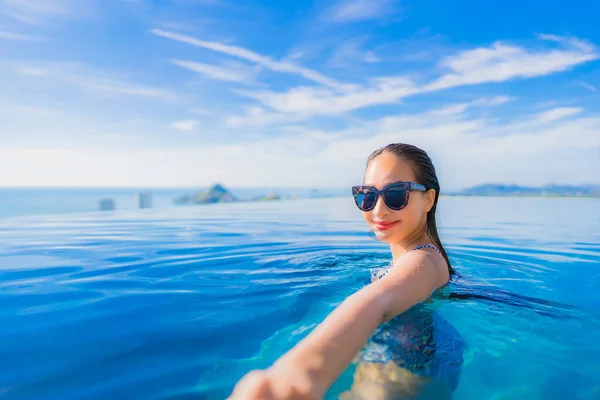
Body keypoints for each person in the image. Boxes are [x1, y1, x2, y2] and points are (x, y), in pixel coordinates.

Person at [228, 143, 463, 399]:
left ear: (428, 199)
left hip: (399, 378)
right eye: (368, 195)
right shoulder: (419, 259)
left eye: (396, 194)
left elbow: (376, 302)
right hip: (398, 367)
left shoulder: (423, 261)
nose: (378, 210)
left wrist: (301, 374)